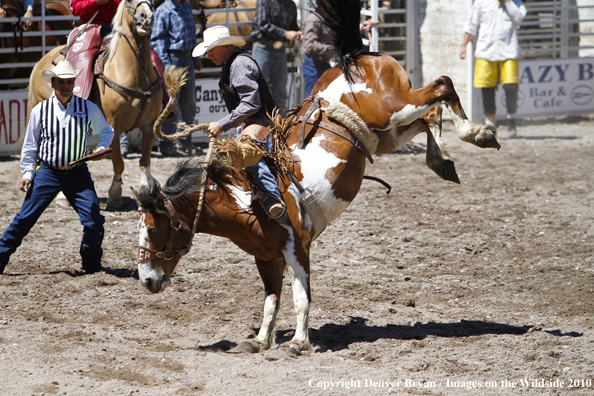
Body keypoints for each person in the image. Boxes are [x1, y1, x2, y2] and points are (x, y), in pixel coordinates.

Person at [0, 60, 114, 275]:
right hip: (46, 172)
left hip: (78, 172)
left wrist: (101, 148)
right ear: (53, 83)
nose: (65, 86)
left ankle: (91, 264)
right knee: (25, 219)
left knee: (93, 219)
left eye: (69, 82)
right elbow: (30, 145)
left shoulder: (88, 107)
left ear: (74, 83)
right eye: (61, 82)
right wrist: (27, 172)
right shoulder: (40, 110)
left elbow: (106, 131)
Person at [193, 25, 285, 220]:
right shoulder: (233, 63)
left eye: (211, 49)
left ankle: (272, 198)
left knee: (244, 151)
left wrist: (222, 124)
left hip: (263, 120)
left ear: (226, 46)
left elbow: (251, 104)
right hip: (253, 120)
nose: (208, 55)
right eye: (207, 50)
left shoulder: (239, 64)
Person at [460, 0, 527, 138]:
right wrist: (463, 46)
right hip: (486, 52)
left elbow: (520, 18)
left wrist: (508, 2)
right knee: (487, 89)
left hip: (509, 51)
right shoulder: (480, 2)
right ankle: (490, 123)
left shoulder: (515, 2)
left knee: (511, 87)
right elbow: (471, 25)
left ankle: (511, 119)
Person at [151, 0, 199, 157]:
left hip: (187, 58)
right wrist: (166, 64)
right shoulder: (163, 11)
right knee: (172, 103)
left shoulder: (185, 6)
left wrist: (196, 58)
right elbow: (157, 40)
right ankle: (167, 143)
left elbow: (191, 34)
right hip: (173, 59)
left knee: (189, 102)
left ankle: (186, 140)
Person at [302, 12, 379, 98]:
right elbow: (309, 46)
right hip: (314, 65)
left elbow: (341, 33)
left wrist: (361, 27)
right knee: (312, 99)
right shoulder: (314, 19)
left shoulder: (329, 18)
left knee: (323, 98)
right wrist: (334, 48)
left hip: (323, 63)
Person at [250, 0, 301, 110]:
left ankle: (280, 122)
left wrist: (298, 33)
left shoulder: (290, 4)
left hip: (279, 48)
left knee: (280, 89)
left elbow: (293, 26)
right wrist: (285, 33)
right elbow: (262, 24)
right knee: (258, 87)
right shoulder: (265, 1)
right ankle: (255, 121)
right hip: (263, 47)